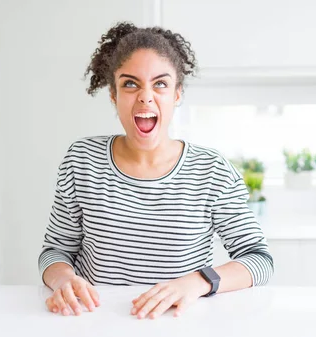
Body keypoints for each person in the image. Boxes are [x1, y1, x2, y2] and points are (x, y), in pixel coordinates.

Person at [38, 21, 274, 320]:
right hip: (93, 321)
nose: (145, 96)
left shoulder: (211, 171)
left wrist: (197, 283)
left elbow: (260, 260)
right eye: (130, 83)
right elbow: (55, 251)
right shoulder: (83, 161)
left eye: (160, 83)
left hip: (177, 322)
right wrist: (63, 280)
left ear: (177, 94)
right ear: (113, 94)